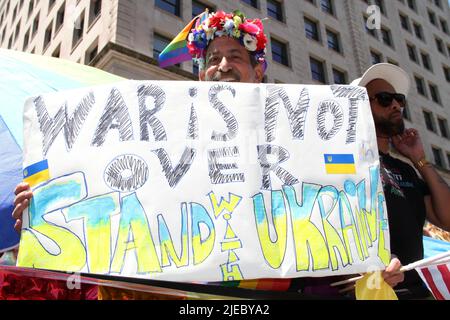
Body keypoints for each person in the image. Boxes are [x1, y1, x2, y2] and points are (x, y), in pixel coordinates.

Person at [12, 10, 403, 299]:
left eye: (235, 56)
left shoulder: (303, 133)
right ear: (200, 75)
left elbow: (331, 233)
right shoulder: (157, 128)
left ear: (258, 70)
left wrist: (370, 274)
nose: (222, 65)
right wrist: (44, 212)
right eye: (213, 58)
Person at [351, 63, 450, 299]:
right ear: (361, 107)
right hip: (367, 292)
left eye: (399, 99)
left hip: (419, 291)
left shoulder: (406, 170)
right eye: (385, 99)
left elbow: (447, 218)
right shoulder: (345, 162)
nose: (396, 105)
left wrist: (420, 160)